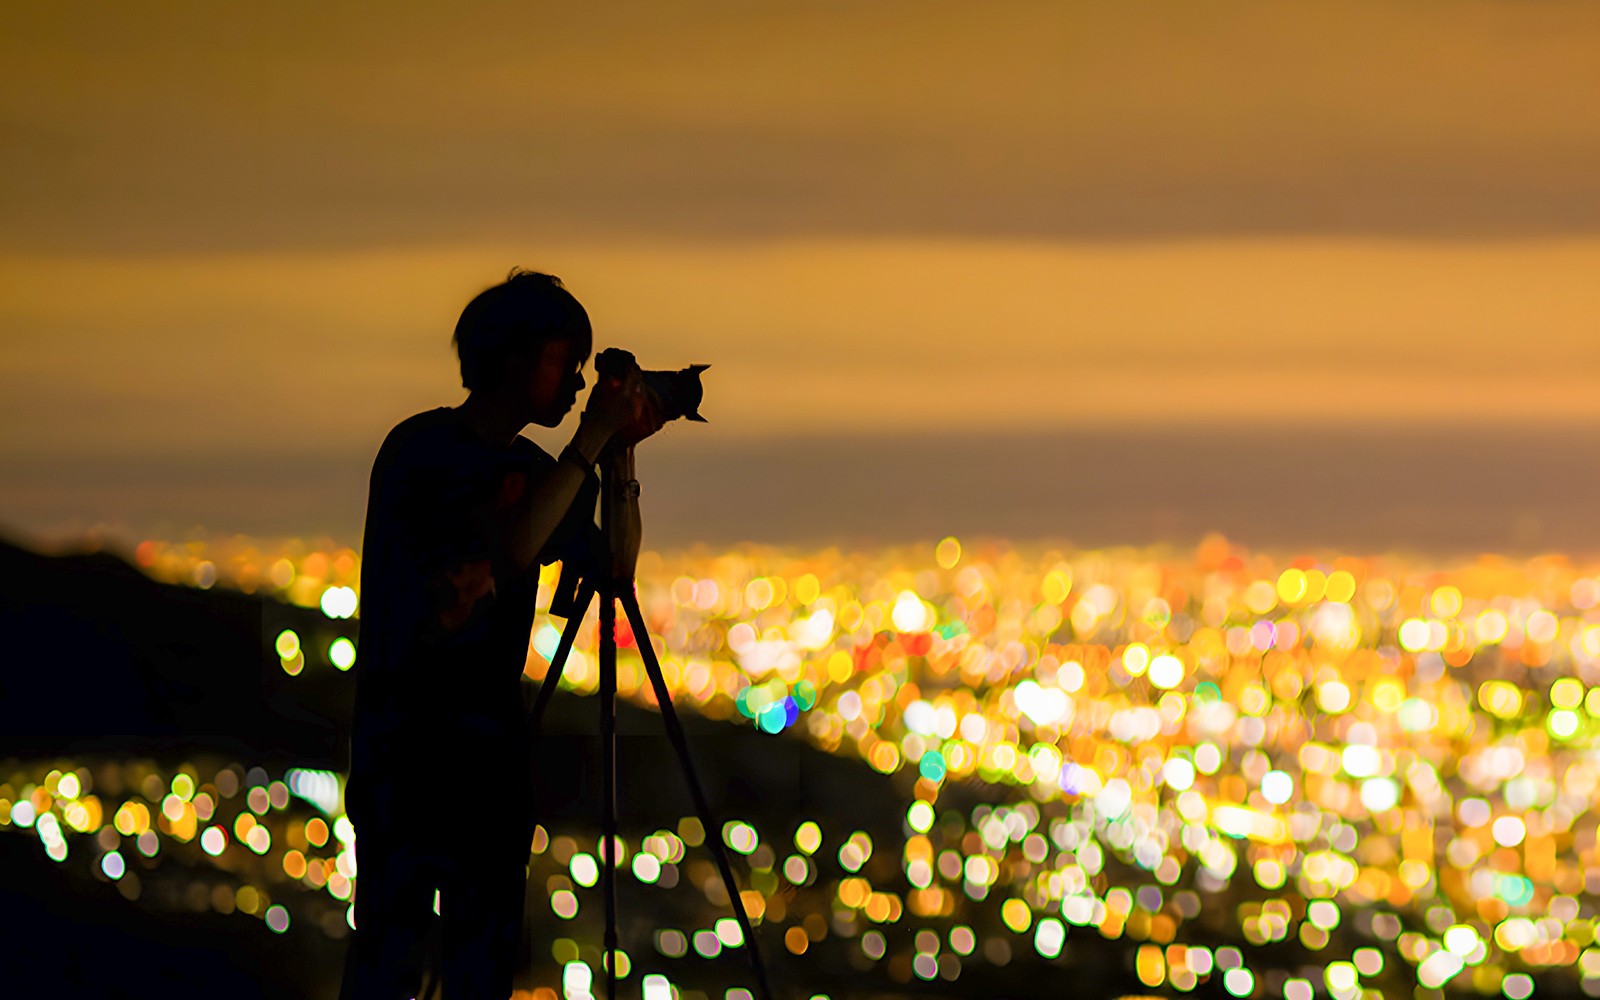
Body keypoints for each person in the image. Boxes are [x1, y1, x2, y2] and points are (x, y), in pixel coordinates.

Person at [340, 270, 660, 999]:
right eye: (563, 361)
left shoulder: (533, 467)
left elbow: (614, 565)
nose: (578, 383)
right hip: (409, 755)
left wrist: (621, 459)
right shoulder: (422, 451)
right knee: (389, 963)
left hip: (489, 765)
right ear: (514, 358)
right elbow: (513, 547)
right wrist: (592, 440)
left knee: (480, 972)